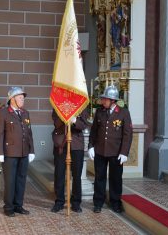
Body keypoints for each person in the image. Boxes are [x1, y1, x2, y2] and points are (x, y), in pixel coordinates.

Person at [88, 85, 132, 213]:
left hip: (116, 153)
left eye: (105, 99)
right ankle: (98, 202)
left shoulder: (123, 113)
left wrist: (124, 152)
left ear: (113, 100)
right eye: (103, 99)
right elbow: (94, 131)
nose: (102, 101)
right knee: (99, 178)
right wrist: (91, 146)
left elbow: (127, 134)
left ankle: (115, 203)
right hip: (100, 151)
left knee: (115, 179)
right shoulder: (100, 112)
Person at [0, 87, 35, 217]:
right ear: (12, 99)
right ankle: (9, 207)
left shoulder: (25, 113)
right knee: (10, 181)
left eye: (23, 97)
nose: (23, 99)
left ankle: (18, 205)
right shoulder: (4, 113)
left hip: (23, 152)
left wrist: (31, 150)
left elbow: (29, 134)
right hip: (9, 153)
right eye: (20, 97)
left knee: (21, 180)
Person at [51, 109, 89, 213]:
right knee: (59, 174)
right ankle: (59, 201)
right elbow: (56, 123)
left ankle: (76, 203)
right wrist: (64, 116)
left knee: (77, 175)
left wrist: (74, 120)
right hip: (61, 144)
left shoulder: (81, 105)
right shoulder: (58, 105)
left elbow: (83, 125)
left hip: (76, 144)